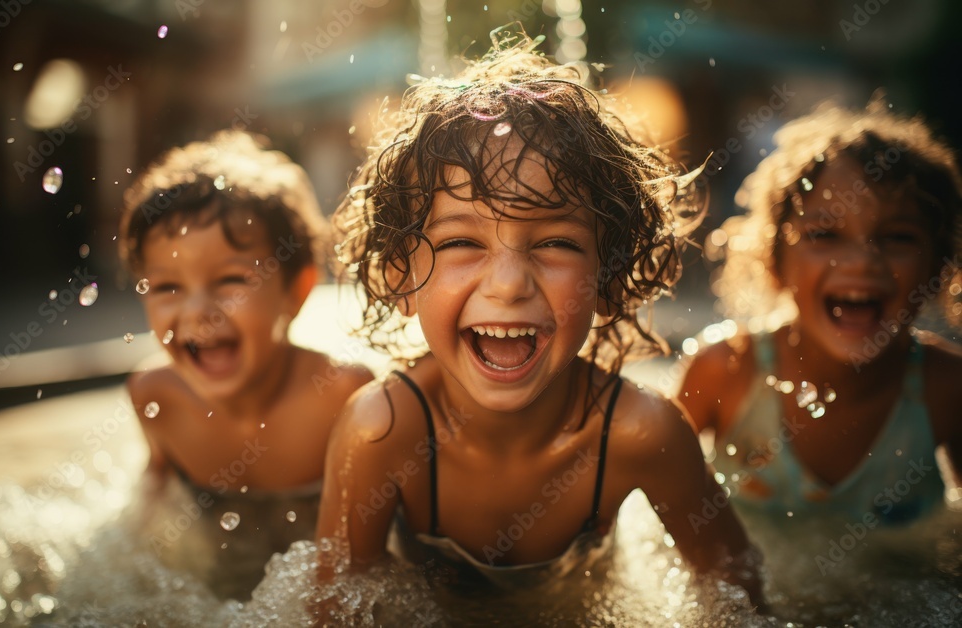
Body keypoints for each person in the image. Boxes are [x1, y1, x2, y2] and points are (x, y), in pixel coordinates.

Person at [315, 32, 763, 605]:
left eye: (554, 241)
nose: (508, 283)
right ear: (403, 277)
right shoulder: (382, 432)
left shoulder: (639, 433)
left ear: (608, 279)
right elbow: (330, 610)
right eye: (460, 242)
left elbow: (740, 600)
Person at [678, 99, 962, 525]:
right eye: (825, 234)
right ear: (774, 258)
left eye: (897, 237)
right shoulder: (726, 370)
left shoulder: (946, 389)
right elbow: (643, 496)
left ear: (939, 266)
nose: (863, 262)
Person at [119, 130, 373, 598]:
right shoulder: (155, 397)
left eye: (231, 280)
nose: (197, 312)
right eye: (167, 287)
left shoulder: (344, 397)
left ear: (296, 291)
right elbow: (151, 495)